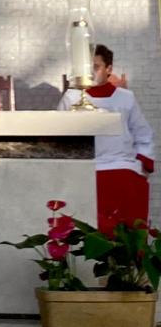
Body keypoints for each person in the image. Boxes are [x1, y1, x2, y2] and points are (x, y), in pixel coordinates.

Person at [58, 44, 154, 235]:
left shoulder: (126, 98)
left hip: (121, 163)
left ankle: (129, 250)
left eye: (95, 67)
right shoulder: (72, 97)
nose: (90, 73)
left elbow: (143, 133)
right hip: (84, 166)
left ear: (109, 69)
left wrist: (143, 163)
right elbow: (59, 132)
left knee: (129, 219)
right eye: (86, 68)